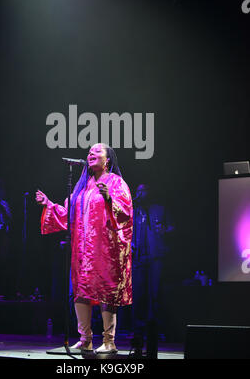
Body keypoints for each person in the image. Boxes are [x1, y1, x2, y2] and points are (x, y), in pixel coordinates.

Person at [36, 143, 133, 353]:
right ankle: (85, 339)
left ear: (108, 160)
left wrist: (109, 198)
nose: (91, 153)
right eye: (89, 151)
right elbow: (68, 215)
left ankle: (109, 341)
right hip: (82, 250)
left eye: (97, 151)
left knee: (106, 292)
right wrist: (49, 204)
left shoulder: (117, 183)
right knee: (81, 291)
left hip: (105, 249)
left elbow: (125, 213)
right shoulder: (83, 186)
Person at [131, 184, 174, 358]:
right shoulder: (135, 211)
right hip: (139, 259)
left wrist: (165, 230)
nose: (141, 193)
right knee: (139, 299)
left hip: (156, 258)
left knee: (154, 298)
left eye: (144, 190)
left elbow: (172, 228)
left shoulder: (160, 209)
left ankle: (152, 344)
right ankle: (138, 343)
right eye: (139, 191)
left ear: (150, 192)